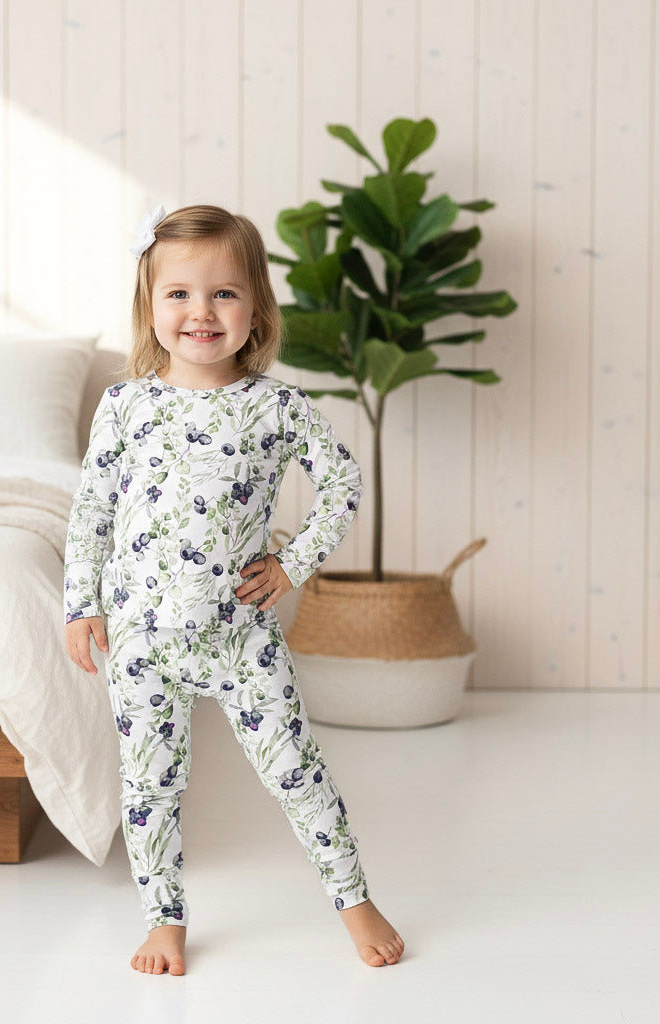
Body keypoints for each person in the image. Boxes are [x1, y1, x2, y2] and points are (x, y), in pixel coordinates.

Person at [63, 203, 404, 976]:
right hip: (142, 636)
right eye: (179, 293)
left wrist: (292, 564)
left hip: (238, 634)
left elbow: (342, 482)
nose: (201, 312)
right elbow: (92, 511)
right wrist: (81, 603)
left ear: (256, 307)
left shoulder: (275, 407)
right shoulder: (126, 406)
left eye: (224, 293)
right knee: (150, 781)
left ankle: (355, 902)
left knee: (296, 768)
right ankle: (164, 920)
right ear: (151, 306)